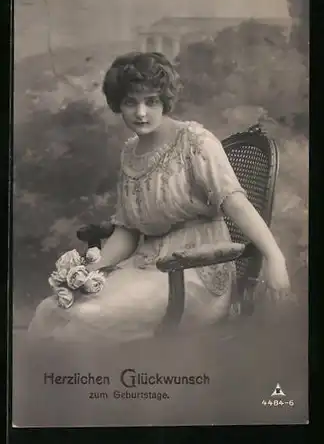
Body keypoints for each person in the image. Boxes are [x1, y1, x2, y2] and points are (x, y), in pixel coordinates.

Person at [27, 51, 291, 346]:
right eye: (131, 102)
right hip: (144, 267)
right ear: (118, 105)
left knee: (86, 317)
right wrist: (91, 270)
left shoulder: (195, 141)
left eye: (151, 101)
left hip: (195, 274)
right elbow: (127, 231)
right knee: (51, 309)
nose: (141, 113)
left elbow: (236, 203)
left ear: (165, 101)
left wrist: (274, 256)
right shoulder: (130, 152)